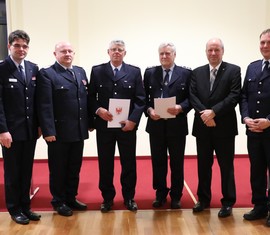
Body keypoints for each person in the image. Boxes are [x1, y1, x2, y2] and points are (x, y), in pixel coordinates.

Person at [88, 40, 145, 212]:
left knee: (128, 163)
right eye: (113, 49)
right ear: (108, 52)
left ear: (125, 53)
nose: (116, 52)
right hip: (104, 125)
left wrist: (133, 121)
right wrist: (98, 110)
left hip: (125, 126)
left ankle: (129, 197)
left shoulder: (134, 72)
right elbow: (90, 97)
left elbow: (140, 99)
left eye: (120, 50)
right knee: (105, 163)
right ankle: (107, 198)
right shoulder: (97, 71)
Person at [37, 41, 91, 216]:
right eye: (63, 51)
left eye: (70, 51)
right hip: (58, 133)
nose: (67, 54)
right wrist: (48, 131)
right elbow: (45, 105)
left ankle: (70, 197)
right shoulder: (47, 74)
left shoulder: (80, 72)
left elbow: (85, 100)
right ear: (55, 54)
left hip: (78, 130)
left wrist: (89, 123)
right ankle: (58, 201)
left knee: (74, 167)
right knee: (59, 168)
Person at [189, 38, 241, 217]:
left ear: (222, 51)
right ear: (206, 52)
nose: (213, 53)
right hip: (203, 126)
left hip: (224, 128)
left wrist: (214, 112)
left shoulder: (234, 70)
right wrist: (205, 114)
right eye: (210, 50)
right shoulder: (197, 72)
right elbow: (192, 96)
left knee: (226, 166)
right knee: (203, 165)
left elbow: (234, 96)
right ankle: (203, 199)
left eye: (216, 50)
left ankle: (228, 202)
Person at [143, 42, 191, 209]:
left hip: (176, 125)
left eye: (168, 53)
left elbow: (190, 99)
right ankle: (160, 193)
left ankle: (176, 195)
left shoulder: (186, 73)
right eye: (161, 53)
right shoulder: (150, 73)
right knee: (158, 162)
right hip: (156, 125)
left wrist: (181, 107)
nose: (164, 56)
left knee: (177, 162)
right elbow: (144, 98)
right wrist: (149, 110)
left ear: (174, 55)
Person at [0, 30, 41, 225]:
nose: (21, 49)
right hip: (10, 131)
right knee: (13, 172)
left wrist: (40, 125)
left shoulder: (33, 68)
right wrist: (2, 130)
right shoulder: (2, 68)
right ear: (9, 46)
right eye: (17, 45)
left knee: (26, 170)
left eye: (25, 46)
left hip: (29, 130)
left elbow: (38, 101)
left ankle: (26, 206)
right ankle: (14, 209)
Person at [240, 28, 270, 226]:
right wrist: (245, 117)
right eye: (262, 43)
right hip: (253, 130)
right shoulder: (252, 67)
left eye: (268, 42)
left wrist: (269, 120)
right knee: (256, 170)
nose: (265, 46)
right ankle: (259, 206)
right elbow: (244, 96)